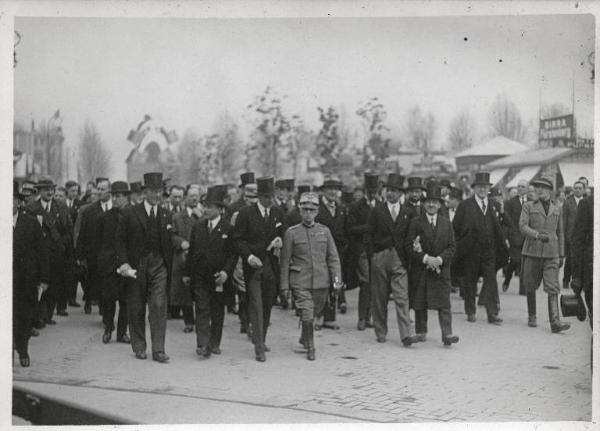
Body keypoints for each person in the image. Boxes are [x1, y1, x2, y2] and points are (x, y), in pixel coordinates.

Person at [115, 172, 174, 363]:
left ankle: (158, 350)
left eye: (160, 191)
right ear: (145, 192)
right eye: (154, 191)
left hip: (159, 265)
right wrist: (123, 262)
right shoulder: (130, 213)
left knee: (158, 305)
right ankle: (139, 346)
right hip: (137, 265)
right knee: (137, 306)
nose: (158, 195)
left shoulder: (166, 214)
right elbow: (120, 241)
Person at [280, 192, 342, 361]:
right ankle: (311, 347)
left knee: (314, 312)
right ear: (299, 211)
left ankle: (304, 337)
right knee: (307, 313)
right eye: (305, 209)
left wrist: (337, 281)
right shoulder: (292, 233)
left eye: (312, 210)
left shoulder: (325, 231)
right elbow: (285, 262)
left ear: (317, 212)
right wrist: (284, 287)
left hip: (322, 282)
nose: (308, 213)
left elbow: (333, 258)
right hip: (300, 280)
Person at [231, 176, 286, 362]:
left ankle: (261, 338)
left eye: (271, 196)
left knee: (268, 303)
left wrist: (280, 240)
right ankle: (258, 347)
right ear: (259, 197)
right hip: (253, 267)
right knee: (255, 303)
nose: (269, 200)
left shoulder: (277, 212)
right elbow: (237, 239)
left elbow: (282, 233)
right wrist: (249, 256)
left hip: (271, 267)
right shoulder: (246, 213)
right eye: (266, 197)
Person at [184, 185, 236, 358]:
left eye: (210, 206)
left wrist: (226, 273)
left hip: (218, 277)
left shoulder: (228, 228)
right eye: (205, 205)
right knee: (201, 308)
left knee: (217, 310)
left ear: (220, 209)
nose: (205, 209)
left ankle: (215, 343)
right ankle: (202, 344)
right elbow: (191, 252)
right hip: (200, 276)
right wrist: (187, 273)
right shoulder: (198, 227)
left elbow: (232, 255)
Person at [406, 182, 459, 346]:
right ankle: (421, 332)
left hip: (441, 270)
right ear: (423, 203)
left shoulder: (446, 223)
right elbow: (409, 246)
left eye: (434, 202)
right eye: (428, 201)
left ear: (439, 204)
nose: (431, 205)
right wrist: (426, 258)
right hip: (422, 268)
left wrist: (439, 260)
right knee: (420, 302)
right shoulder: (416, 222)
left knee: (444, 304)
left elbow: (452, 247)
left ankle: (447, 334)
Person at [366, 173, 416, 347]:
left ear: (401, 193)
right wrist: (373, 256)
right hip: (380, 257)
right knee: (379, 297)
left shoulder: (408, 213)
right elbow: (369, 235)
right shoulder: (377, 211)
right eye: (389, 190)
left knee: (402, 296)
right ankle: (380, 331)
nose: (391, 194)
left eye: (395, 191)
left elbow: (411, 237)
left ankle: (405, 334)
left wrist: (407, 258)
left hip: (400, 259)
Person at [452, 172, 508, 325]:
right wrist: (460, 247)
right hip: (471, 252)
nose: (482, 189)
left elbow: (500, 228)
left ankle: (492, 314)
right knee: (470, 282)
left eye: (485, 187)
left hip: (489, 251)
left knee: (490, 281)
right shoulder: (465, 205)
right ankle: (470, 311)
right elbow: (455, 229)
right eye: (479, 187)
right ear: (474, 188)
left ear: (488, 189)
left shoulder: (493, 205)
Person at [519, 176, 569, 333]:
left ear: (550, 191)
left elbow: (560, 232)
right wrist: (536, 235)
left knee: (552, 286)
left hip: (551, 253)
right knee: (530, 285)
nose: (539, 190)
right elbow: (522, 226)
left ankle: (555, 321)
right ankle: (532, 315)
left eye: (543, 187)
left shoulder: (557, 208)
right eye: (537, 187)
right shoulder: (528, 206)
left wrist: (561, 254)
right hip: (532, 252)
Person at [25, 177, 73, 324]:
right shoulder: (32, 208)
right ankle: (39, 316)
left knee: (55, 285)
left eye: (52, 189)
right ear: (39, 191)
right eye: (46, 189)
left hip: (57, 253)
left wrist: (62, 245)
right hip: (39, 255)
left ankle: (48, 315)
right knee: (40, 285)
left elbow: (68, 230)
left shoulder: (61, 206)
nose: (50, 192)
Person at [13, 181, 49, 367]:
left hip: (26, 281)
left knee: (25, 318)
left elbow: (42, 251)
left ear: (18, 202)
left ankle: (23, 348)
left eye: (11, 199)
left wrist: (43, 279)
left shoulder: (30, 222)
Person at [97, 181, 130, 344]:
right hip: (109, 265)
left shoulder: (133, 215)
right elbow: (98, 243)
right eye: (114, 196)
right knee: (109, 299)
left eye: (118, 196)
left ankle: (122, 332)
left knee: (126, 300)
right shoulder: (104, 217)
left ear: (126, 197)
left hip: (127, 265)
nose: (115, 200)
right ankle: (108, 328)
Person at [346, 173, 379, 331]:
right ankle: (361, 318)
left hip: (377, 251)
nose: (372, 193)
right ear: (365, 191)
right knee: (366, 283)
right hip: (362, 251)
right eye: (369, 190)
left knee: (375, 284)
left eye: (374, 190)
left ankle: (369, 317)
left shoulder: (381, 206)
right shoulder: (356, 207)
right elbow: (350, 229)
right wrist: (367, 228)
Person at [76, 178, 111, 314]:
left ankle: (105, 311)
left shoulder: (115, 209)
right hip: (94, 254)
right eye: (99, 189)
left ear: (110, 191)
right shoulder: (90, 211)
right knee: (93, 281)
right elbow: (82, 233)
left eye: (103, 189)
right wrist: (80, 254)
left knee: (107, 285)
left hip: (110, 255)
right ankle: (91, 301)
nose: (100, 192)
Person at [315, 178, 348, 325]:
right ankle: (318, 317)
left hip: (338, 252)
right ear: (323, 191)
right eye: (330, 189)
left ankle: (329, 318)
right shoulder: (317, 208)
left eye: (335, 188)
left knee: (335, 282)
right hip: (320, 251)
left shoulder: (341, 209)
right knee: (321, 283)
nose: (333, 192)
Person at [170, 185, 201, 333]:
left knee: (200, 290)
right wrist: (180, 242)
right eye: (191, 196)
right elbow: (171, 235)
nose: (194, 198)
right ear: (185, 198)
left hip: (199, 257)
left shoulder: (203, 216)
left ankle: (202, 320)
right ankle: (189, 321)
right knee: (185, 291)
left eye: (197, 196)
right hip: (183, 257)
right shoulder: (177, 217)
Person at [502, 180, 528, 294]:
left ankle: (523, 289)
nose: (520, 188)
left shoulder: (533, 203)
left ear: (527, 188)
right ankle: (507, 279)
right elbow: (506, 222)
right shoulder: (510, 203)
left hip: (528, 237)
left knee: (524, 262)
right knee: (515, 260)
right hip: (514, 237)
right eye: (519, 186)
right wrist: (507, 237)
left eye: (523, 186)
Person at [561, 180, 585, 290]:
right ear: (573, 189)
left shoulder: (586, 202)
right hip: (571, 236)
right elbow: (564, 221)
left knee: (580, 260)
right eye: (576, 188)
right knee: (570, 260)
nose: (578, 190)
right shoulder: (568, 202)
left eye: (580, 188)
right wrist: (564, 236)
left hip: (583, 237)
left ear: (583, 190)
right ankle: (566, 280)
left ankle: (578, 281)